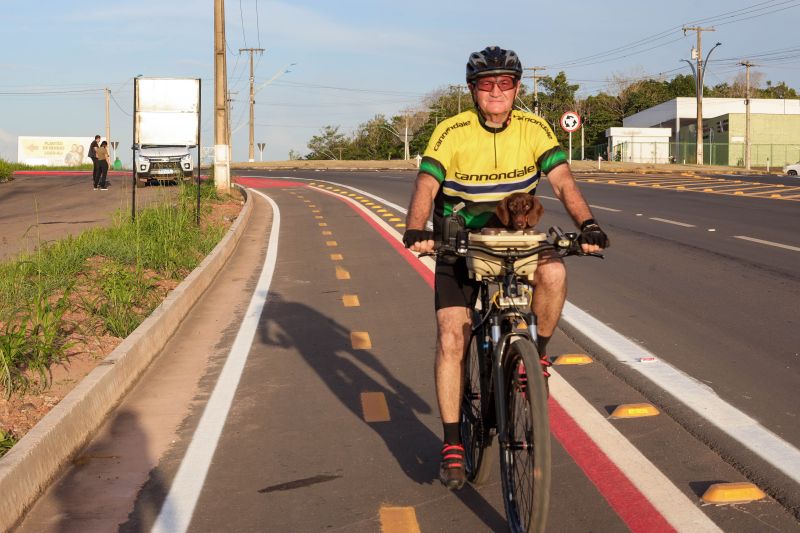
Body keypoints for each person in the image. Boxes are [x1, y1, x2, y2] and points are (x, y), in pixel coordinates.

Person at [402, 46, 610, 490]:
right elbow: (427, 181)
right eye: (486, 83)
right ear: (472, 89)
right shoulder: (451, 131)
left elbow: (563, 180)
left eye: (505, 83)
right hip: (460, 240)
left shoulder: (533, 129)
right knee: (452, 333)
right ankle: (454, 440)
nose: (496, 91)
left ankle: (536, 355)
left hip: (514, 240)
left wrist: (588, 224)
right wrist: (417, 228)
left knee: (554, 273)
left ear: (517, 87)